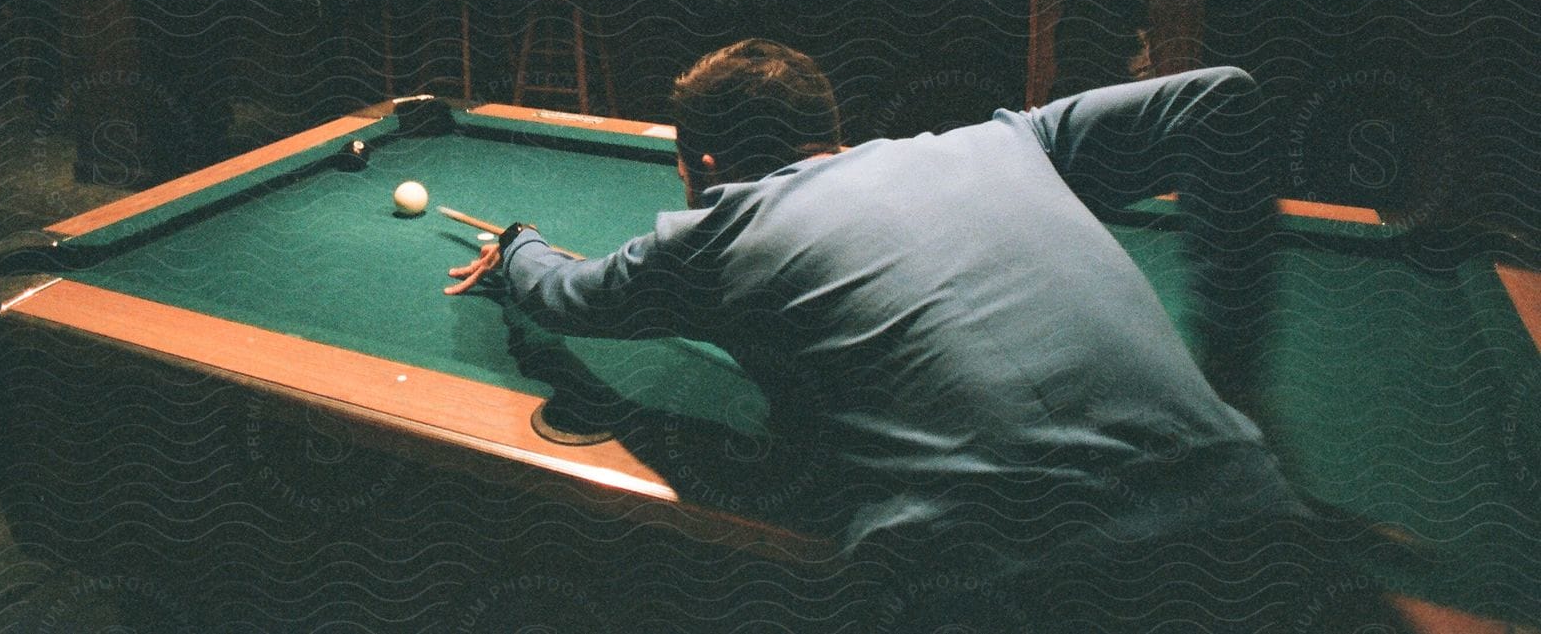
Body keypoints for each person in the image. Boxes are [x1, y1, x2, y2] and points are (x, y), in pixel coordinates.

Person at [445, 39, 1407, 632]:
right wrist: (1233, 384)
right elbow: (1224, 96)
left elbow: (565, 295)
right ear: (835, 129)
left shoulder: (712, 232)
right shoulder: (1003, 140)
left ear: (700, 165)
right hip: (1260, 537)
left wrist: (515, 245)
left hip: (1002, 589)